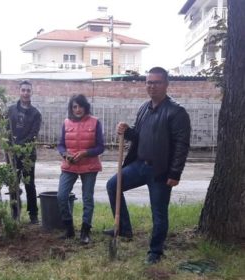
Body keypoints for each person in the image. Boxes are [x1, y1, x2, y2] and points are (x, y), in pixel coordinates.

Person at [104, 67, 191, 264]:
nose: (151, 86)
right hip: (139, 166)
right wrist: (126, 131)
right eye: (148, 82)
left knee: (158, 212)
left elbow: (181, 146)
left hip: (160, 171)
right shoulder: (144, 108)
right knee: (112, 186)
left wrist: (175, 173)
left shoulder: (176, 112)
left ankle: (155, 251)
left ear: (166, 84)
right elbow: (138, 136)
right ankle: (124, 229)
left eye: (156, 82)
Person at [0, 80, 42, 224]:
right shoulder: (10, 110)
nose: (25, 93)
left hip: (27, 155)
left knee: (29, 184)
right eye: (23, 90)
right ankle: (15, 214)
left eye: (28, 90)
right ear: (19, 91)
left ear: (31, 92)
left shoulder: (35, 114)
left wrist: (18, 147)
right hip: (12, 155)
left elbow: (33, 134)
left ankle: (33, 216)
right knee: (13, 184)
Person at [57, 94, 105, 244]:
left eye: (80, 106)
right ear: (71, 108)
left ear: (86, 106)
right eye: (74, 107)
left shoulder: (95, 122)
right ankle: (69, 229)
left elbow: (100, 147)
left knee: (87, 199)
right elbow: (60, 145)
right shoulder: (66, 123)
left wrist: (86, 153)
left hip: (89, 166)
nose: (78, 109)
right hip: (69, 165)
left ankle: (85, 232)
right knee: (61, 196)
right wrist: (65, 154)